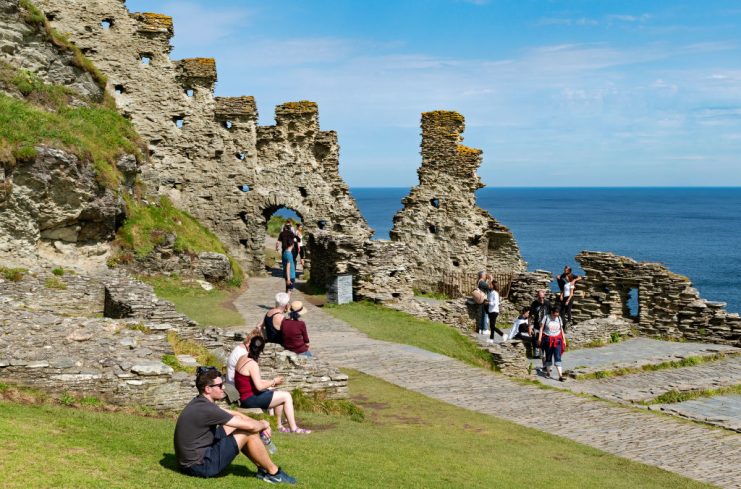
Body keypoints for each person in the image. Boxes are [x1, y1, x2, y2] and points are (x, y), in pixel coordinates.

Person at [173, 366, 297, 484]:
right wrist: (263, 424)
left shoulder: (201, 403)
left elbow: (234, 414)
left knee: (239, 425)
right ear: (208, 389)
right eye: (220, 385)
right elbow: (252, 427)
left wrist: (259, 424)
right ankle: (274, 473)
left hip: (190, 461)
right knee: (248, 433)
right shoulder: (208, 409)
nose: (223, 388)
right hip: (200, 466)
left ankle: (263, 469)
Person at [235, 336, 312, 434]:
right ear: (261, 350)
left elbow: (247, 380)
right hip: (250, 399)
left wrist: (269, 383)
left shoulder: (242, 357)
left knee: (278, 393)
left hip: (245, 396)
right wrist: (273, 381)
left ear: (250, 345)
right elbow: (258, 386)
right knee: (287, 396)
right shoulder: (252, 364)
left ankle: (279, 426)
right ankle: (294, 428)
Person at [538, 308, 567, 382]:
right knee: (548, 356)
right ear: (551, 312)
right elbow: (541, 328)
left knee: (558, 356)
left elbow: (561, 329)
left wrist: (564, 339)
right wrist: (540, 338)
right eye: (554, 315)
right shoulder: (546, 317)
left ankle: (560, 375)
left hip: (557, 339)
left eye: (557, 315)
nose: (555, 317)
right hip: (548, 339)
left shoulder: (559, 318)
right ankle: (548, 373)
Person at [528, 290, 551, 358]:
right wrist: (529, 326)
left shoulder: (548, 303)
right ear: (537, 296)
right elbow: (530, 316)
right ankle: (536, 353)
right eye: (540, 297)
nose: (541, 299)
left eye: (543, 297)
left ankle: (543, 353)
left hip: (546, 325)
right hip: (537, 325)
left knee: (544, 340)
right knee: (535, 338)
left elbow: (551, 314)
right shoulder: (534, 303)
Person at [486, 278, 507, 344]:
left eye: (490, 284)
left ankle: (503, 335)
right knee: (491, 326)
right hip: (490, 310)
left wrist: (488, 302)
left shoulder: (495, 293)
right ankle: (491, 339)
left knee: (492, 326)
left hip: (494, 311)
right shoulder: (491, 292)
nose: (489, 285)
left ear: (493, 285)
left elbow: (496, 303)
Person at [477, 271, 490, 335]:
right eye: (485, 274)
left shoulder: (480, 282)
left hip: (481, 300)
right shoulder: (481, 282)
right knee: (485, 315)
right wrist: (490, 279)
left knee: (482, 315)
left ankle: (481, 329)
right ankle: (484, 329)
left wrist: (487, 280)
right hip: (483, 300)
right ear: (482, 275)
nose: (486, 276)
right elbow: (488, 287)